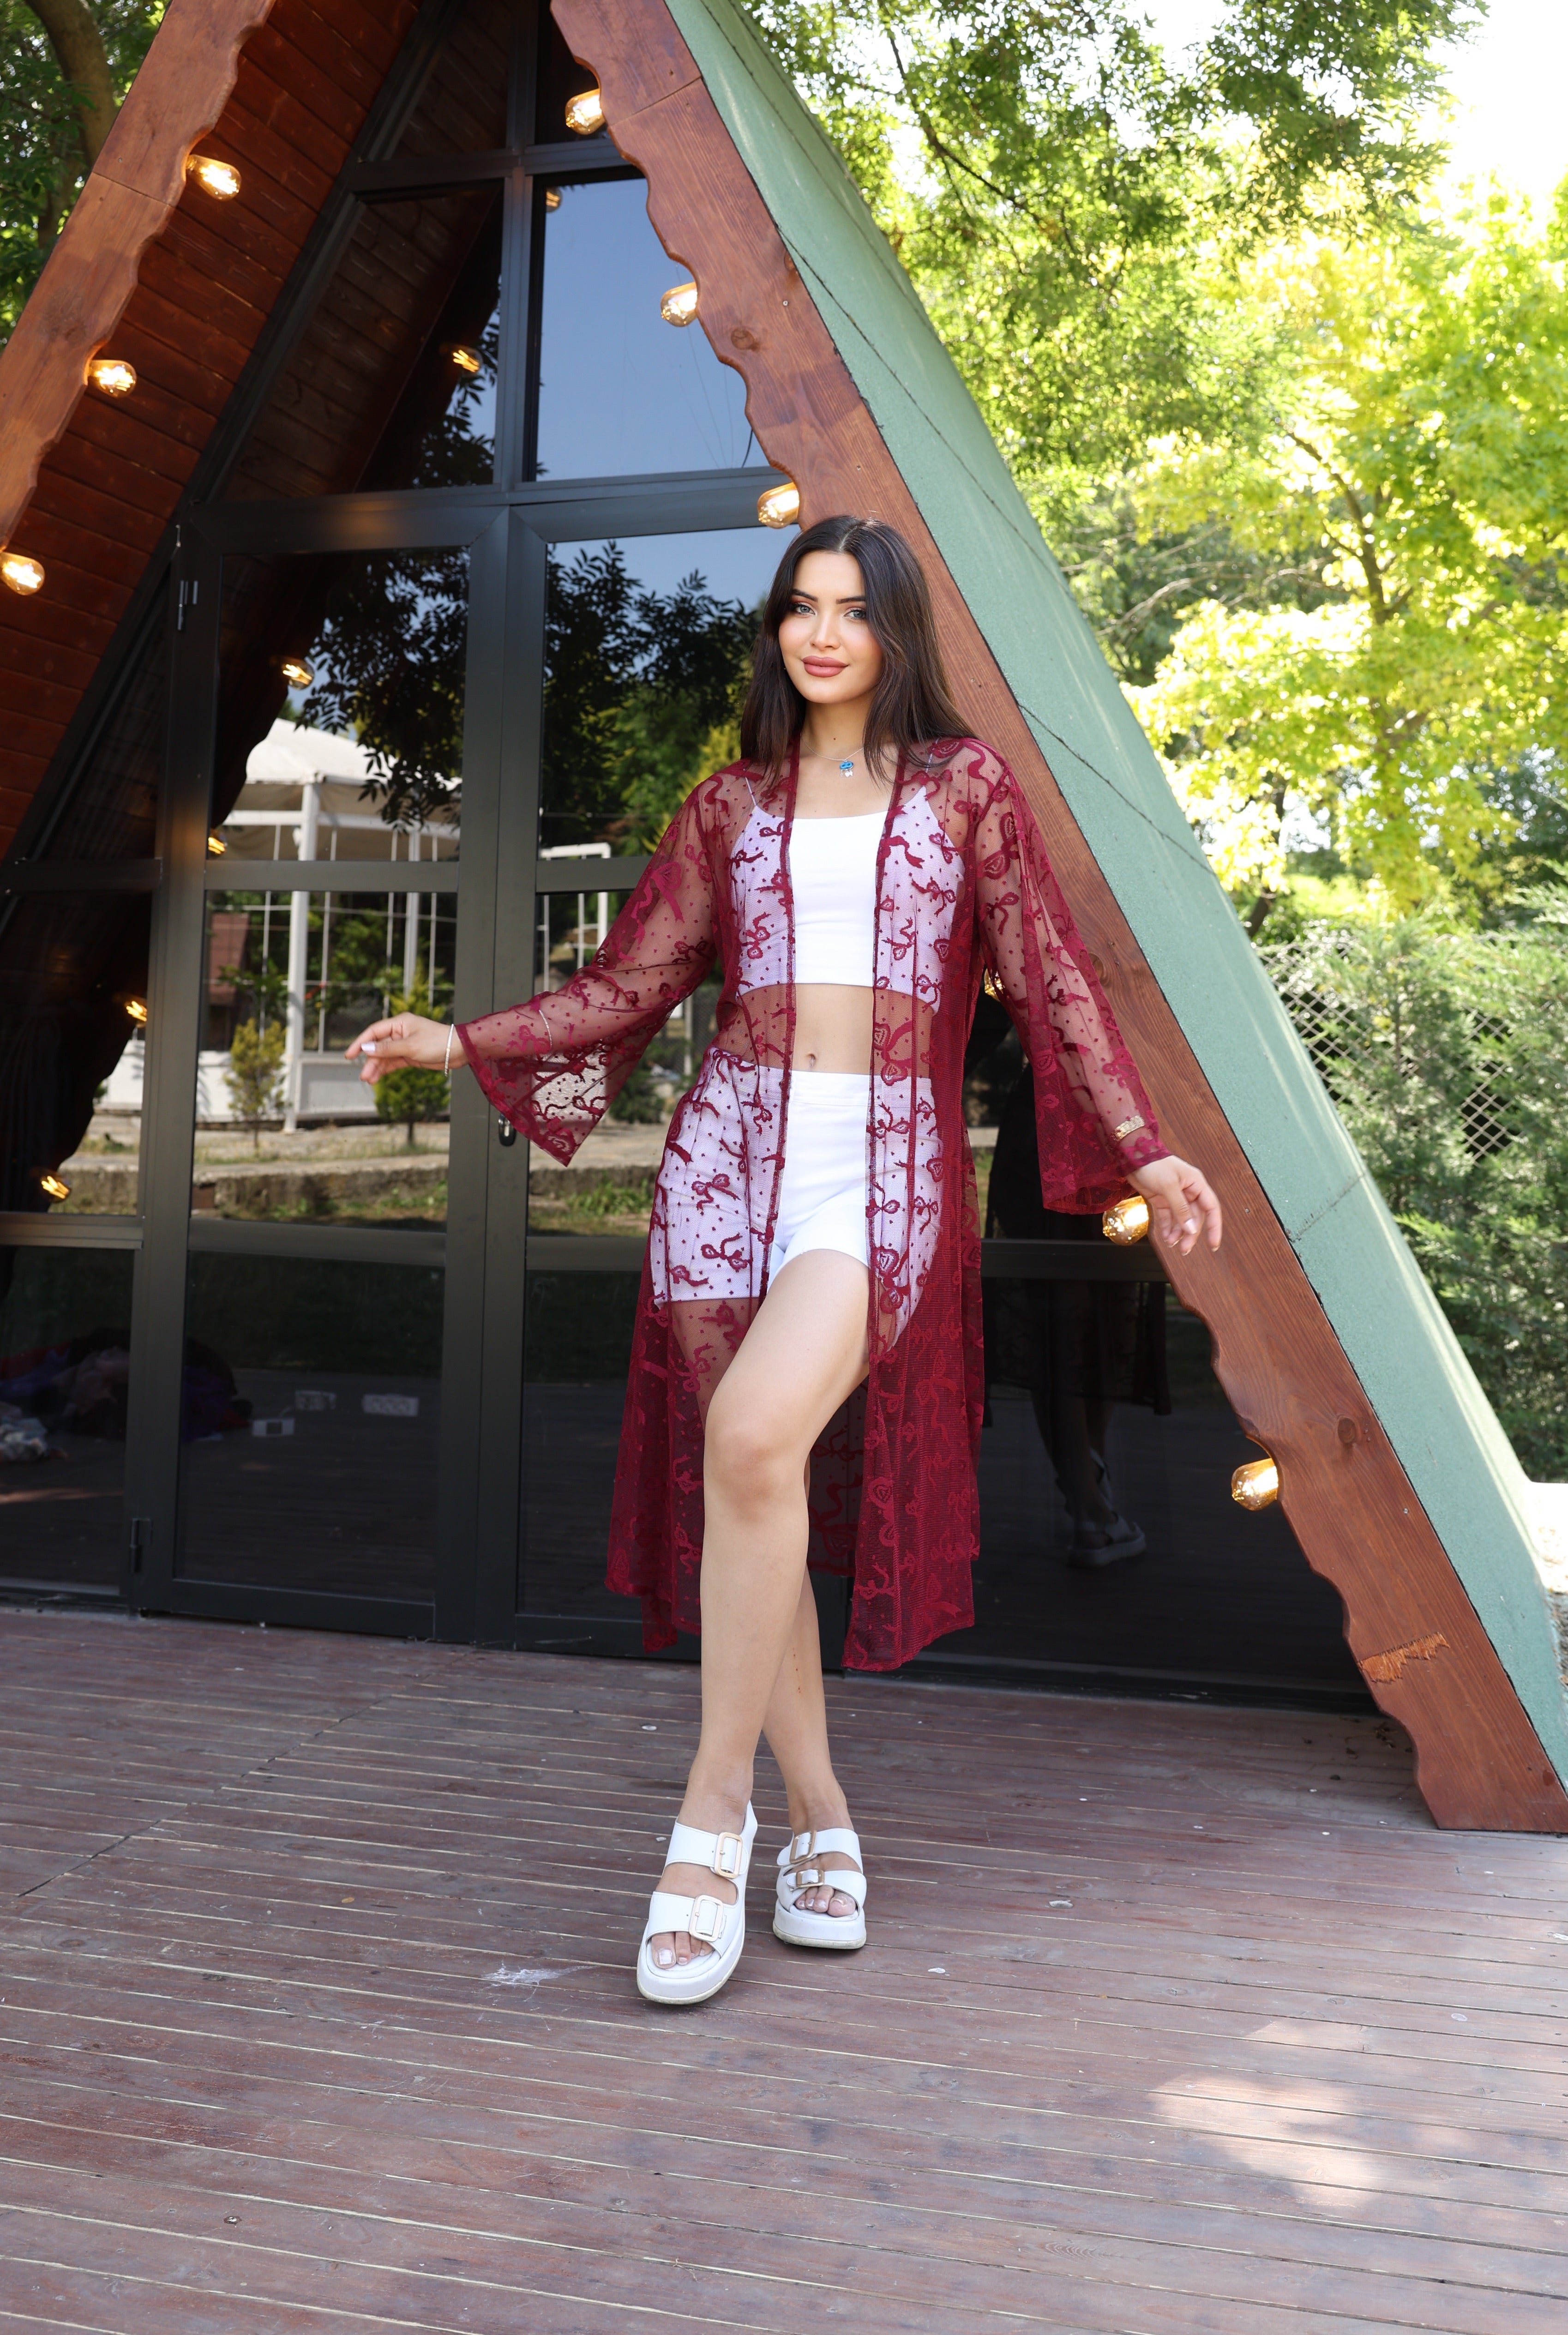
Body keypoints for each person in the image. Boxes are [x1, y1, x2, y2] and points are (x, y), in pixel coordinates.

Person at [348, 516, 1222, 2008]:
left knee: (753, 1439)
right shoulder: (729, 805)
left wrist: (1141, 1143)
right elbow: (634, 980)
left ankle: (710, 1819)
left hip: (878, 1171)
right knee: (758, 1484)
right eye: (801, 608)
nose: (822, 634)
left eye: (853, 610)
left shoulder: (965, 790)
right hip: (726, 1163)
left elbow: (1051, 974)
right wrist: (465, 1039)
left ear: (897, 631)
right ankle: (821, 1816)